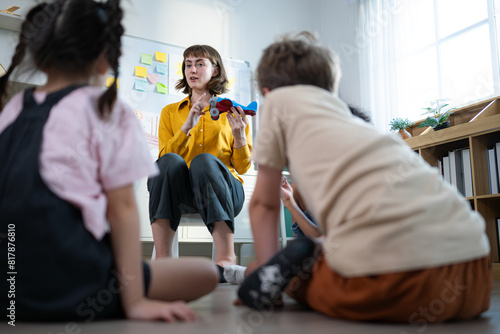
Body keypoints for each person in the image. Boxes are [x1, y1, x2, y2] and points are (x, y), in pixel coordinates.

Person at [237, 31, 492, 323]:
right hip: (475, 275)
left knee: (295, 274)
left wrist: (269, 277)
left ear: (268, 91)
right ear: (329, 89)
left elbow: (265, 204)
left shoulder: (278, 101)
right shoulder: (357, 124)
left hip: (400, 284)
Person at [0, 0, 218, 322]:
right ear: (105, 59)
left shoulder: (14, 108)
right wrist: (135, 303)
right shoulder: (108, 109)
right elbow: (123, 209)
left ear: (40, 57)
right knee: (206, 273)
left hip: (8, 289)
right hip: (69, 285)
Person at [147, 44, 253, 282]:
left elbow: (243, 167)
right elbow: (163, 160)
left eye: (200, 64)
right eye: (188, 64)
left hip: (224, 193)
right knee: (169, 162)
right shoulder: (170, 112)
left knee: (204, 161)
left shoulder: (233, 112)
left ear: (215, 71)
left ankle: (226, 260)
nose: (192, 70)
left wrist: (240, 137)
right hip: (181, 193)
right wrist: (187, 126)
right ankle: (163, 261)